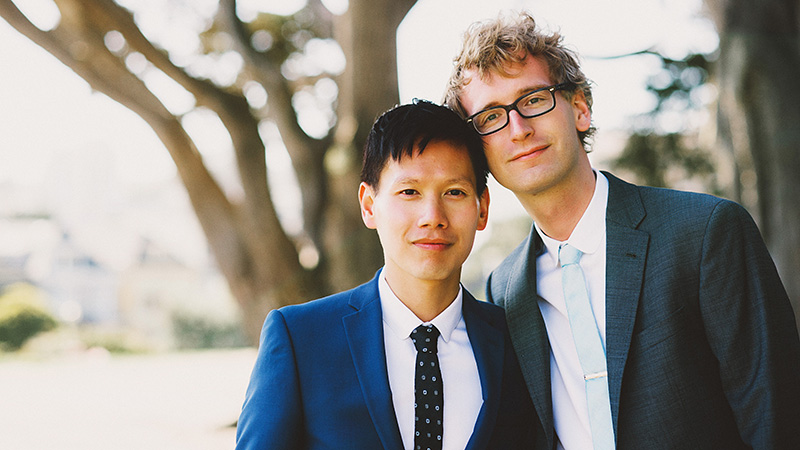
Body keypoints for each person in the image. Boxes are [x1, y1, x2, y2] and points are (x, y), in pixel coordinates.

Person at [443, 12, 800, 450]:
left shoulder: (706, 234)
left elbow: (776, 419)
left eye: (533, 99)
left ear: (579, 108)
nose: (518, 129)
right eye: (491, 117)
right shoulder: (505, 289)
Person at [235, 100, 537, 450]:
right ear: (369, 205)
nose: (432, 216)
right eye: (409, 191)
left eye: (454, 192)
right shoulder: (301, 340)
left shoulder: (518, 343)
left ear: (482, 208)